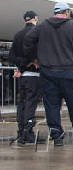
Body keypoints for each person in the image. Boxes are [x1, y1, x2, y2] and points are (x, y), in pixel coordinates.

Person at [23, 2, 73, 146]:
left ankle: (56, 134)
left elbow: (27, 40)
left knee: (52, 106)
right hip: (71, 73)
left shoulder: (42, 26)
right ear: (67, 12)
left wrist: (34, 59)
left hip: (48, 73)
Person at [8, 11, 40, 145]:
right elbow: (35, 51)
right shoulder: (36, 33)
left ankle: (21, 131)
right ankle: (28, 132)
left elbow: (11, 56)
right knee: (30, 103)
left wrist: (22, 65)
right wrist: (31, 61)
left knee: (21, 103)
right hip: (34, 75)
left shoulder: (17, 35)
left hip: (23, 75)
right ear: (35, 19)